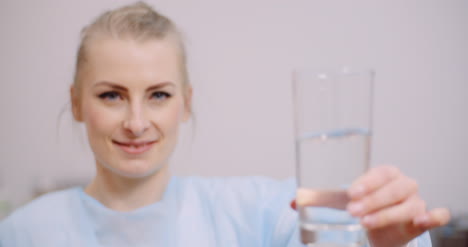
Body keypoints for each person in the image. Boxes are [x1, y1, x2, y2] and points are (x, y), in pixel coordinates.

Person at [0, 2, 450, 247]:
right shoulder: (24, 232)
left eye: (158, 94)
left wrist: (385, 245)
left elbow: (331, 234)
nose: (136, 122)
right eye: (111, 95)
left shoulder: (254, 212)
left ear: (186, 103)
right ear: (77, 103)